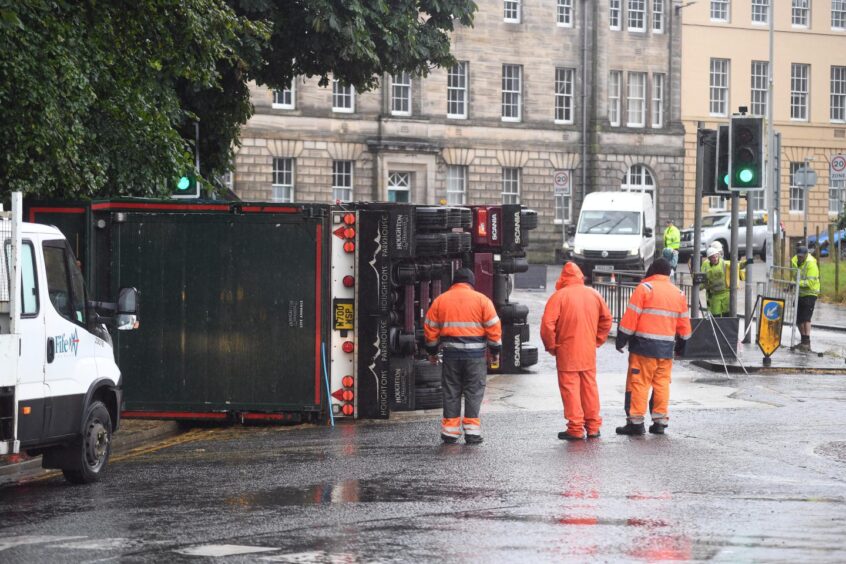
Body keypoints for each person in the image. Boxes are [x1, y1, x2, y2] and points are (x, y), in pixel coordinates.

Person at [424, 267, 502, 445]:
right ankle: (472, 432)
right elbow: (494, 328)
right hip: (475, 356)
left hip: (451, 355)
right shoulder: (483, 300)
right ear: (471, 283)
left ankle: (450, 432)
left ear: (454, 282)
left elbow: (430, 329)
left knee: (451, 390)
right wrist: (495, 352)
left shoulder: (440, 300)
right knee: (473, 391)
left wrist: (432, 353)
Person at [615, 258, 692, 436]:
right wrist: (682, 346)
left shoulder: (645, 289)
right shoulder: (678, 293)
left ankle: (636, 423)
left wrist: (621, 340)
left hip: (643, 347)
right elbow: (684, 326)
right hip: (666, 349)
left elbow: (631, 318)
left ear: (652, 270)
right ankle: (660, 422)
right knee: (662, 384)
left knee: (639, 384)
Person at [540, 262, 613, 441]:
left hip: (566, 351)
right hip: (588, 351)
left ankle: (576, 428)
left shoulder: (559, 297)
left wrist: (551, 346)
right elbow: (607, 319)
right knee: (589, 388)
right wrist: (597, 340)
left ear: (563, 278)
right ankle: (593, 426)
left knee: (570, 389)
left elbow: (547, 325)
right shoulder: (594, 294)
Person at [791, 245, 820, 352]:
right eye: (798, 256)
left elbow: (810, 283)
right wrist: (792, 284)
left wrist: (796, 283)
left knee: (806, 318)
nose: (800, 258)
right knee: (798, 319)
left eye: (802, 257)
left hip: (810, 293)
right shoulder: (794, 260)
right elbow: (794, 275)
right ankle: (803, 341)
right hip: (800, 293)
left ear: (806, 255)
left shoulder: (811, 264)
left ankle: (806, 342)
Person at [701, 246, 730, 317]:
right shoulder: (706, 265)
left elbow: (737, 265)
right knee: (715, 315)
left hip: (726, 293)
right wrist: (699, 286)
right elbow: (702, 279)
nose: (715, 258)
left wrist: (746, 263)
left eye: (716, 256)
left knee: (726, 315)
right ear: (709, 258)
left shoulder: (724, 263)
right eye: (713, 257)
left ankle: (724, 328)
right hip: (714, 295)